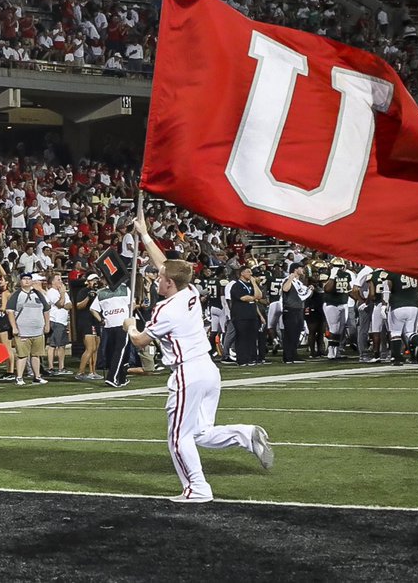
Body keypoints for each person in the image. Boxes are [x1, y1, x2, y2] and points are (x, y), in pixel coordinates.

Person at [122, 214, 273, 503]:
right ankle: (246, 434)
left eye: (160, 278)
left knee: (178, 437)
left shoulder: (166, 310)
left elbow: (141, 341)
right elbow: (163, 263)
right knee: (200, 433)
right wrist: (145, 235)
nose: (156, 279)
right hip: (207, 369)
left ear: (169, 283)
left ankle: (197, 488)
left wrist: (130, 326)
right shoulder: (189, 289)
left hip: (187, 373)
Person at [6, 272, 49, 385]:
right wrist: (14, 327)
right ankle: (19, 377)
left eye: (29, 279)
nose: (27, 281)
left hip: (38, 330)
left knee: (36, 355)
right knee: (22, 355)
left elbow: (46, 309)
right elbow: (9, 311)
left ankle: (37, 376)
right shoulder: (17, 295)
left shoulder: (38, 294)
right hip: (22, 331)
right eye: (24, 279)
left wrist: (47, 324)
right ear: (20, 281)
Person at [228, 265, 263, 366]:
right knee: (242, 337)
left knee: (252, 337)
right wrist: (254, 297)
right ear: (242, 273)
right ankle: (242, 359)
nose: (251, 274)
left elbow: (259, 295)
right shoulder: (236, 285)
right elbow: (244, 298)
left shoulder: (251, 285)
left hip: (252, 314)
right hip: (240, 315)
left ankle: (251, 358)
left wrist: (254, 283)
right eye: (248, 272)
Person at [280, 263, 311, 364]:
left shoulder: (298, 282)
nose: (302, 269)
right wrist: (290, 278)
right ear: (295, 269)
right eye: (300, 268)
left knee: (296, 333)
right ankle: (288, 356)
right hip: (290, 309)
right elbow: (285, 289)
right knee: (290, 333)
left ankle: (294, 354)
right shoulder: (288, 280)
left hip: (298, 310)